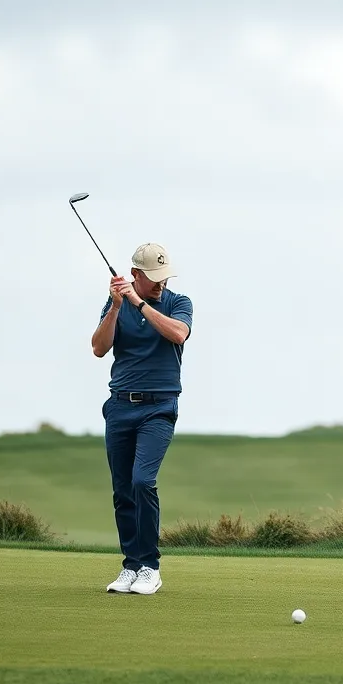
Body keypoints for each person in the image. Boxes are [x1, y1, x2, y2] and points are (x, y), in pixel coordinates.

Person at [90, 243, 193, 596]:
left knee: (141, 481)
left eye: (165, 277)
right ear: (135, 274)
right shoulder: (117, 304)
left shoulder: (179, 303)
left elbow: (178, 334)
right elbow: (99, 348)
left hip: (159, 408)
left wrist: (138, 302)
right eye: (153, 278)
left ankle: (150, 566)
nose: (161, 284)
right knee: (122, 490)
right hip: (120, 406)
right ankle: (131, 566)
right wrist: (117, 307)